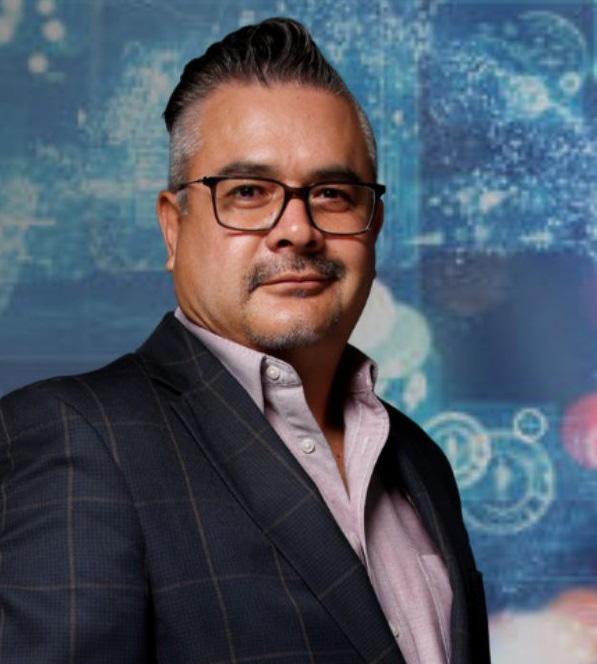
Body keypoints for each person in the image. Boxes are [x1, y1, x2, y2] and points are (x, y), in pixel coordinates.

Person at [0, 18, 490, 664]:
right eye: (249, 192)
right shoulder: (78, 437)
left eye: (332, 193)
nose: (298, 230)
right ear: (173, 228)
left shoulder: (419, 460)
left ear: (373, 225)